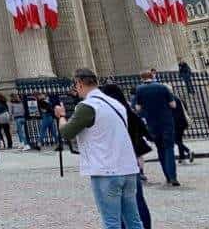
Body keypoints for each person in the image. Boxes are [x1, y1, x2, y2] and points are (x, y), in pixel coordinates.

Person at [57, 68, 144, 229]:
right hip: (128, 169)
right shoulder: (116, 104)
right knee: (134, 221)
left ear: (79, 83)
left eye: (75, 85)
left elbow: (67, 132)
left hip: (106, 171)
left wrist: (61, 116)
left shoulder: (88, 106)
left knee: (111, 223)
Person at [101, 83, 153, 229]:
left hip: (114, 163)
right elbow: (146, 132)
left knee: (117, 202)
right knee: (136, 200)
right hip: (131, 162)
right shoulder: (128, 111)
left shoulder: (107, 113)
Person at [133, 70, 178, 186]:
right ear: (152, 76)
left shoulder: (140, 90)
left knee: (160, 149)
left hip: (152, 123)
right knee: (169, 148)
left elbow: (137, 108)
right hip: (166, 122)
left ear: (141, 78)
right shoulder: (162, 87)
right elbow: (173, 104)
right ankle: (173, 176)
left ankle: (167, 176)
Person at [172, 93, 194, 163]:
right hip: (182, 121)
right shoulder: (179, 99)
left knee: (175, 139)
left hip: (176, 122)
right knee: (179, 140)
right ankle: (182, 157)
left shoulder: (171, 100)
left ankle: (188, 151)